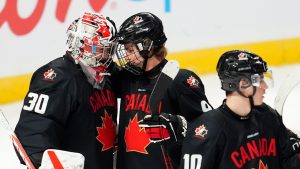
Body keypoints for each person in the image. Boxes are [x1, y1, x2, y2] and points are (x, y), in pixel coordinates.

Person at [14, 12, 118, 169]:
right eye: (99, 48)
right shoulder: (57, 78)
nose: (106, 56)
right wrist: (43, 159)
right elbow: (34, 130)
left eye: (108, 49)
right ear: (79, 44)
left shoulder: (103, 74)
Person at [113, 12, 213, 169]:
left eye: (130, 49)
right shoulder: (127, 77)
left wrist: (180, 125)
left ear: (147, 46)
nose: (126, 55)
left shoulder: (179, 80)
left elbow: (210, 129)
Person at [179, 50, 300, 169]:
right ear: (243, 84)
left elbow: (289, 159)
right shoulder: (208, 130)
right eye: (260, 80)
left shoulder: (267, 116)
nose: (265, 86)